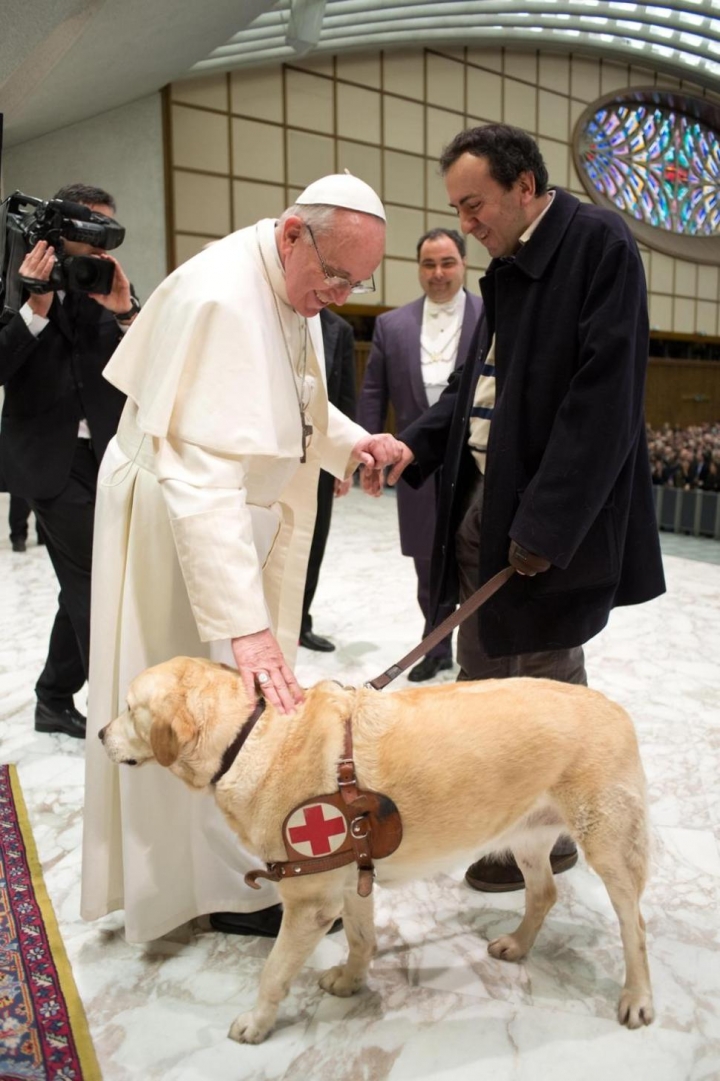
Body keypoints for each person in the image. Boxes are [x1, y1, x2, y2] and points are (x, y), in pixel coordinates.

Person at [81, 174, 402, 943]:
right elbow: (202, 480)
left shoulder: (286, 287)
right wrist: (243, 627)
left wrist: (352, 442)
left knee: (230, 704)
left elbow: (292, 399)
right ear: (294, 232)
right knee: (188, 706)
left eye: (357, 282)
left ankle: (225, 867)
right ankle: (192, 885)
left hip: (217, 523)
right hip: (177, 527)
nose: (340, 292)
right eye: (334, 274)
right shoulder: (224, 298)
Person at [377, 124, 666, 891]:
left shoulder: (599, 247)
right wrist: (419, 443)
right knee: (485, 677)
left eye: (474, 206)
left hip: (545, 520)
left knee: (541, 681)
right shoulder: (508, 266)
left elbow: (602, 405)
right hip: (487, 503)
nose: (465, 224)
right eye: (457, 210)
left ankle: (553, 835)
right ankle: (500, 825)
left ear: (525, 187)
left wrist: (545, 525)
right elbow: (481, 387)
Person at [0, 183, 136, 737]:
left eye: (105, 232)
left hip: (109, 456)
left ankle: (52, 697)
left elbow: (150, 360)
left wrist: (127, 312)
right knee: (97, 583)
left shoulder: (110, 283)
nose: (96, 244)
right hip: (47, 463)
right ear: (59, 232)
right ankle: (118, 708)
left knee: (81, 582)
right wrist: (34, 310)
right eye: (86, 231)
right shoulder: (14, 280)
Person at [357, 228, 483, 680]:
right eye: (429, 264)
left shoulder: (490, 314)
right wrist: (366, 451)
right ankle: (435, 647)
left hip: (476, 462)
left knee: (474, 552)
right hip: (414, 463)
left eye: (447, 262)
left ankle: (479, 646)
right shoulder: (393, 325)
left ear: (464, 263)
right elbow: (373, 393)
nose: (438, 273)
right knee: (427, 564)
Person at [299, 306, 357, 652]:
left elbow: (344, 397)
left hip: (319, 455)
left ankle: (300, 621)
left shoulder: (340, 329)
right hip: (266, 452)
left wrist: (344, 461)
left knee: (313, 541)